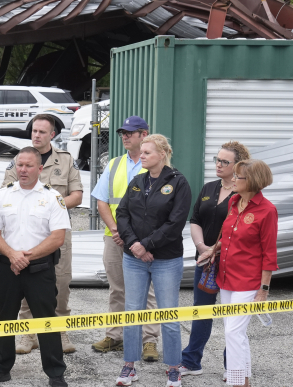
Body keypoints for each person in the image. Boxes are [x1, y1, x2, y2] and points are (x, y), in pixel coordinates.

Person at [0, 146, 70, 387]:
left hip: (40, 269)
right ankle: (0, 368)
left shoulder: (52, 197)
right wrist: (12, 254)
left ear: (40, 169)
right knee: (5, 318)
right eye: (20, 164)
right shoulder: (3, 195)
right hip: (9, 268)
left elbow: (57, 237)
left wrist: (25, 258)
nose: (23, 169)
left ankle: (55, 372)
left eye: (29, 165)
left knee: (46, 320)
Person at [115, 134, 191, 387]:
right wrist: (135, 245)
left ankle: (173, 367)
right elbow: (122, 213)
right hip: (134, 258)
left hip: (166, 259)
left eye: (147, 152)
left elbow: (175, 222)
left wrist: (146, 245)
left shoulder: (179, 183)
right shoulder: (137, 181)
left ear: (162, 154)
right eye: (142, 152)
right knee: (132, 312)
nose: (142, 156)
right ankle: (129, 365)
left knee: (168, 315)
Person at [3, 114, 83, 354]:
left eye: (41, 132)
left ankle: (59, 331)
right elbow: (7, 192)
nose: (36, 135)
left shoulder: (66, 161)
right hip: (26, 233)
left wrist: (51, 209)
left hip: (57, 233)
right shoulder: (20, 159)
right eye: (34, 131)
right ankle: (28, 333)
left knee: (60, 281)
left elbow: (77, 195)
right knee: (27, 280)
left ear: (52, 135)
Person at [197, 159, 277, 387]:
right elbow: (228, 237)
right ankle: (244, 381)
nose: (232, 179)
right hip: (226, 279)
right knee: (236, 333)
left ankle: (235, 382)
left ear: (251, 181)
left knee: (232, 333)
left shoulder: (267, 210)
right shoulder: (234, 202)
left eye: (237, 177)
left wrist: (263, 291)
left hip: (249, 283)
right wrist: (213, 249)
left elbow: (269, 255)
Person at [90, 116, 160, 361]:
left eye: (130, 132)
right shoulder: (114, 164)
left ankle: (149, 341)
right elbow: (101, 200)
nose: (124, 136)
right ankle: (116, 336)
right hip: (115, 238)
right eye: (122, 132)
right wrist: (116, 230)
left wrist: (133, 237)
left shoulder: (152, 163)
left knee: (147, 291)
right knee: (117, 290)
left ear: (144, 134)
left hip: (143, 240)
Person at [179, 141, 250, 376]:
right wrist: (202, 247)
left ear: (237, 165)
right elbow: (196, 219)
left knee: (233, 318)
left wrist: (215, 249)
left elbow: (240, 230)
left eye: (224, 161)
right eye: (216, 160)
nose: (218, 165)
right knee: (202, 310)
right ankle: (191, 362)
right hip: (205, 262)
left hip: (232, 263)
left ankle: (233, 367)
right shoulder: (209, 188)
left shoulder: (243, 193)